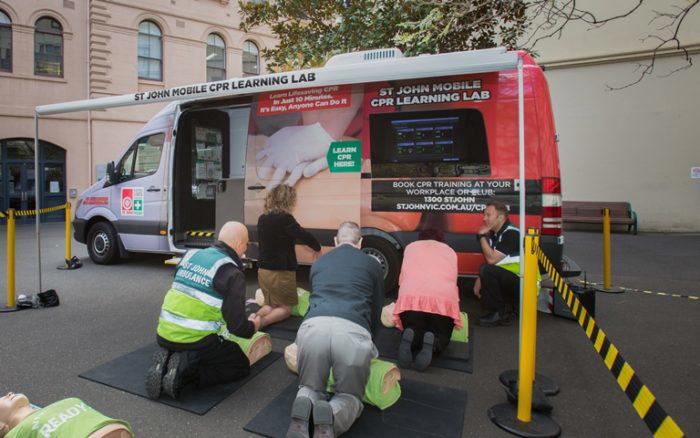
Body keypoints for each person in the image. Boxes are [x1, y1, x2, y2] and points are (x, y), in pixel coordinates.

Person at [287, 221, 383, 438]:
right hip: (352, 330)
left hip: (313, 328)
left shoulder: (319, 263)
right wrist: (371, 345)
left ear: (336, 241)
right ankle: (330, 414)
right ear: (360, 243)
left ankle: (303, 406)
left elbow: (315, 300)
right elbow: (376, 310)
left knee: (310, 386)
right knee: (349, 396)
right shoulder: (372, 264)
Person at [147, 221, 262, 400]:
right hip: (197, 340)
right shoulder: (232, 272)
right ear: (240, 245)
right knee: (239, 365)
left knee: (194, 342)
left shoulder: (190, 255)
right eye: (246, 244)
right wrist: (253, 326)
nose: (246, 248)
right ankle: (183, 375)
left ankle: (169, 358)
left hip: (163, 333)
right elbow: (236, 327)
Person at [392, 228, 461, 371]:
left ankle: (410, 334)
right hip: (442, 300)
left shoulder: (410, 248)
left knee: (415, 325)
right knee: (442, 332)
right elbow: (453, 280)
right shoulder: (450, 251)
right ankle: (435, 341)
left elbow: (402, 278)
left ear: (420, 238)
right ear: (441, 240)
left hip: (411, 299)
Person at [256, 185, 321, 328]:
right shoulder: (285, 218)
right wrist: (317, 247)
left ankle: (252, 320)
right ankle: (261, 323)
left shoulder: (262, 218)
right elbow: (303, 235)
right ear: (287, 200)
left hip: (263, 270)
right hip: (280, 272)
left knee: (271, 305)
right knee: (285, 309)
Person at [473, 199, 521, 327]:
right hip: (515, 279)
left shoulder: (511, 233)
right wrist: (480, 278)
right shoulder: (497, 233)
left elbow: (492, 260)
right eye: (484, 215)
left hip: (525, 285)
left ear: (500, 217)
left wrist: (481, 236)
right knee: (481, 277)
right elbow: (497, 262)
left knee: (486, 269)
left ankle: (499, 314)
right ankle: (508, 307)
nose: (484, 219)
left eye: (488, 215)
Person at [0, 392, 132, 437]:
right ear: (2, 426)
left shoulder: (67, 401)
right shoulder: (17, 433)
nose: (9, 393)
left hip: (112, 428)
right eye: (5, 397)